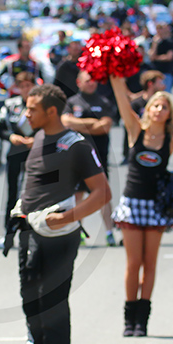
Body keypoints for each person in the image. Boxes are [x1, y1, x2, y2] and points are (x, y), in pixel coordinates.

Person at [4, 84, 111, 344]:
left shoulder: (75, 144)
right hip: (29, 232)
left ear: (52, 111)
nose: (26, 113)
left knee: (52, 304)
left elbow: (102, 192)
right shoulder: (37, 137)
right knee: (31, 303)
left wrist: (68, 218)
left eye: (32, 108)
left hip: (58, 236)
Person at [109, 75, 173, 338]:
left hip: (156, 206)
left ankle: (142, 321)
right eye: (155, 106)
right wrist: (116, 74)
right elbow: (122, 101)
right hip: (132, 203)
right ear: (148, 109)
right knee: (133, 263)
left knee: (150, 264)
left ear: (170, 113)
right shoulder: (136, 130)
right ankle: (129, 317)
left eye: (164, 106)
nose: (159, 110)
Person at [62, 70, 120, 246]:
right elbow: (66, 122)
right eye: (87, 80)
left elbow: (105, 127)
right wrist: (92, 124)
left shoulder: (103, 101)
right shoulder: (71, 102)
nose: (91, 83)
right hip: (76, 157)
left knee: (103, 196)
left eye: (94, 80)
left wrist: (80, 124)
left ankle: (109, 233)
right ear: (79, 82)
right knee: (77, 196)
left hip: (99, 157)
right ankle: (77, 231)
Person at [0, 72, 37, 241]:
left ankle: (34, 232)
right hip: (15, 153)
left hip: (35, 154)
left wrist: (37, 139)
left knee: (35, 191)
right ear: (18, 88)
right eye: (22, 86)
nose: (26, 89)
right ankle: (8, 234)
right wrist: (11, 137)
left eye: (29, 85)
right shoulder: (10, 105)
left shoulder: (40, 105)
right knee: (13, 193)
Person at [123, 70, 166, 165]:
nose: (163, 86)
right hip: (138, 148)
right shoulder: (136, 104)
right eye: (160, 83)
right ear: (150, 84)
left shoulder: (162, 105)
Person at [148, 22, 173, 93]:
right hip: (156, 71)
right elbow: (151, 57)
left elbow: (169, 57)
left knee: (166, 93)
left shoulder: (169, 42)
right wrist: (155, 44)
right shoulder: (153, 42)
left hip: (166, 72)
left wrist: (157, 58)